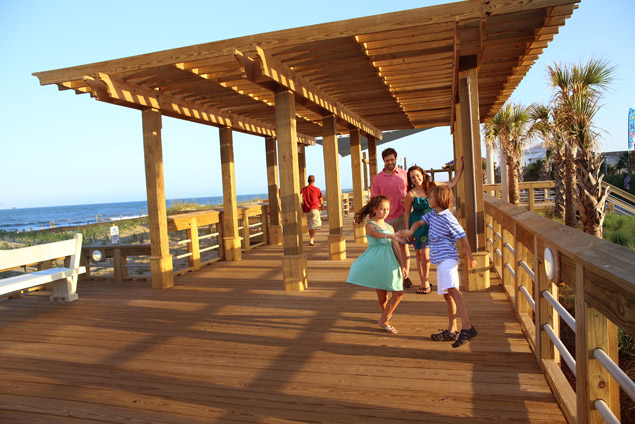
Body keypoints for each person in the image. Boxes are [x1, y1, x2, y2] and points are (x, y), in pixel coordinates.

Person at [399, 185, 478, 348]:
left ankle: (467, 327)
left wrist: (470, 257)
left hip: (448, 259)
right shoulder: (433, 215)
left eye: (431, 197)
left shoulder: (448, 218)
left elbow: (463, 236)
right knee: (447, 295)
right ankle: (452, 330)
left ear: (440, 199)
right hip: (440, 260)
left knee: (454, 291)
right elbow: (420, 222)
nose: (428, 199)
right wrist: (410, 231)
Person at [346, 195, 407, 334]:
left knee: (399, 292)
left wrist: (402, 265)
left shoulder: (390, 227)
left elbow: (396, 247)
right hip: (377, 261)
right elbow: (373, 234)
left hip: (390, 262)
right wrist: (389, 236)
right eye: (382, 209)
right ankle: (385, 318)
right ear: (375, 209)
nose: (385, 212)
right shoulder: (370, 225)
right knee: (382, 296)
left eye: (387, 209)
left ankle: (384, 318)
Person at [403, 159, 464, 294]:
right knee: (419, 254)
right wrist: (408, 230)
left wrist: (460, 169)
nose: (416, 178)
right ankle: (424, 282)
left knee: (426, 254)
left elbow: (452, 183)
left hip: (433, 223)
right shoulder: (410, 194)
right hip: (417, 224)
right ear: (410, 179)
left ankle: (426, 282)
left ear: (423, 175)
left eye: (418, 175)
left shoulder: (433, 186)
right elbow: (406, 213)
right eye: (413, 177)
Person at [370, 148, 413, 288]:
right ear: (384, 161)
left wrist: (409, 199)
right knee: (391, 249)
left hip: (402, 216)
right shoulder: (378, 178)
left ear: (396, 159)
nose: (390, 162)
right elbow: (374, 199)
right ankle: (395, 275)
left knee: (404, 247)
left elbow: (414, 192)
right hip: (386, 219)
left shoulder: (405, 175)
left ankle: (406, 276)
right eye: (387, 160)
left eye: (392, 160)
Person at [301, 175, 323, 246]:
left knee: (310, 224)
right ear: (314, 180)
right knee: (315, 224)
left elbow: (301, 200)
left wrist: (303, 207)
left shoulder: (303, 189)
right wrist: (321, 207)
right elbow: (321, 200)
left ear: (308, 181)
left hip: (307, 209)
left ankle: (312, 239)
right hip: (315, 208)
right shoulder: (317, 189)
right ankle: (311, 239)